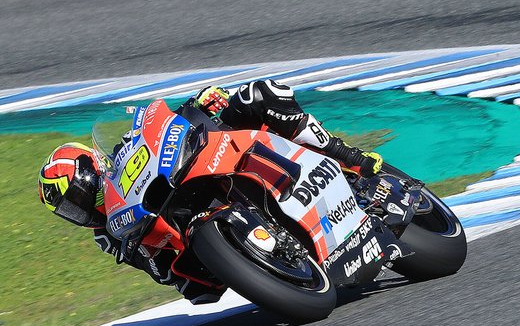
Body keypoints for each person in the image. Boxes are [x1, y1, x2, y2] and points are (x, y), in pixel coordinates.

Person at [38, 80, 383, 304]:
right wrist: (154, 254)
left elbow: (164, 129)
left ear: (92, 168)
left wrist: (198, 105)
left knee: (258, 95)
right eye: (71, 210)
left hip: (207, 163)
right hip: (195, 247)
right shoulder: (111, 233)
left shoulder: (123, 153)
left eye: (77, 198)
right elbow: (164, 275)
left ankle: (350, 158)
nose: (81, 210)